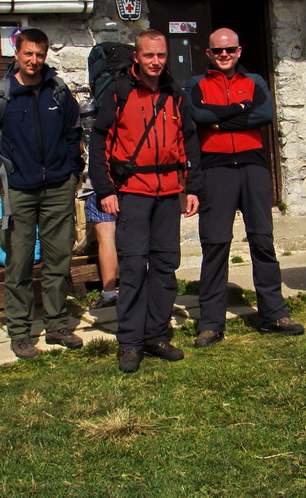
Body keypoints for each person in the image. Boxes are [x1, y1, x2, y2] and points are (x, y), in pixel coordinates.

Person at [89, 29, 202, 373]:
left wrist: (192, 187)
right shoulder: (120, 93)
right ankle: (130, 342)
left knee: (166, 267)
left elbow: (190, 141)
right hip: (132, 194)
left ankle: (156, 334)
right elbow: (99, 141)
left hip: (169, 193)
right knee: (135, 268)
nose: (156, 62)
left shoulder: (175, 94)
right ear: (136, 57)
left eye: (161, 55)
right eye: (149, 55)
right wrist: (105, 190)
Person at [185, 28, 304, 348]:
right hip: (215, 170)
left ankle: (274, 314)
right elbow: (197, 114)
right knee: (215, 245)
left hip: (253, 167)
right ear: (208, 54)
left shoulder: (255, 82)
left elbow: (264, 113)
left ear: (239, 52)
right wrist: (241, 110)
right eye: (218, 51)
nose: (224, 55)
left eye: (230, 50)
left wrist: (220, 121)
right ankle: (210, 322)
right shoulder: (196, 84)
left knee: (263, 241)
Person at [0, 28, 84, 359]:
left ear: (45, 54)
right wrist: (1, 181)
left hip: (57, 188)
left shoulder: (59, 92)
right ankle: (21, 331)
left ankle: (56, 325)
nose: (34, 60)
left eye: (40, 54)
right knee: (19, 262)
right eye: (28, 54)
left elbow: (73, 133)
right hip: (18, 191)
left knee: (58, 260)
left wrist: (72, 171)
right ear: (17, 54)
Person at [84, 193, 119, 309]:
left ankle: (110, 294)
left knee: (106, 238)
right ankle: (137, 290)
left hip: (101, 189)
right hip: (130, 189)